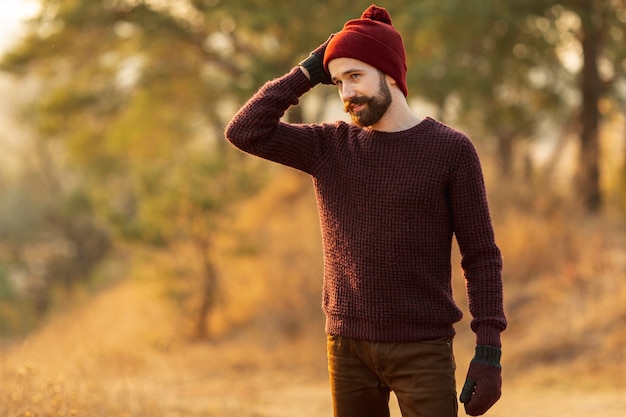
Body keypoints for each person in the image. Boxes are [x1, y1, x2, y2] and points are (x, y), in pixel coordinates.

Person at [225, 4, 506, 417]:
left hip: (422, 348)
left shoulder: (450, 150)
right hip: (347, 348)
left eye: (355, 76)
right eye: (337, 82)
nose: (346, 94)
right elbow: (244, 130)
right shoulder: (328, 147)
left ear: (390, 73)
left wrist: (488, 350)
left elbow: (481, 256)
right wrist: (307, 71)